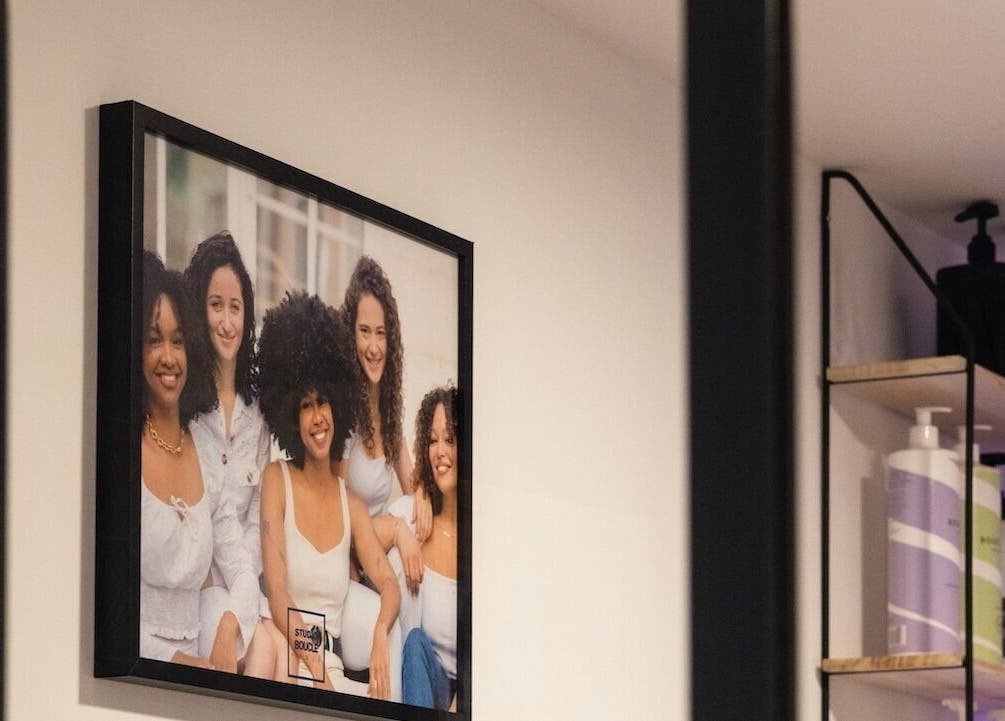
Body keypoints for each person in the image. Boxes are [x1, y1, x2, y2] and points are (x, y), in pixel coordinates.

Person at [257, 291, 402, 699]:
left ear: (339, 406)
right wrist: (313, 660)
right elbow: (277, 590)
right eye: (305, 406)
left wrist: (378, 632)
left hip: (332, 672)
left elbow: (388, 584)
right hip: (291, 663)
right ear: (290, 415)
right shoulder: (276, 480)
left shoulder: (351, 504)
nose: (318, 417)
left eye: (324, 403)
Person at [139, 250, 258, 672]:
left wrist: (228, 627)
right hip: (137, 668)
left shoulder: (205, 453)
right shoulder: (124, 452)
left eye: (177, 341)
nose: (168, 357)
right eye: (154, 340)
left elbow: (243, 571)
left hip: (201, 663)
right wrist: (180, 661)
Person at [183, 231, 279, 678]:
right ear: (200, 312)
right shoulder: (186, 406)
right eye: (216, 305)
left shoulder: (258, 416)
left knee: (269, 652)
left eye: (235, 307)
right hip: (194, 589)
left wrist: (239, 603)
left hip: (240, 589)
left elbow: (256, 525)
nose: (226, 321)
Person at [338, 256, 431, 543]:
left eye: (381, 333)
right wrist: (396, 529)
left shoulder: (389, 413)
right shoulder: (343, 413)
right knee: (406, 519)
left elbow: (412, 484)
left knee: (415, 509)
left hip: (377, 553)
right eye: (364, 332)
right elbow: (336, 514)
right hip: (350, 552)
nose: (374, 347)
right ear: (350, 335)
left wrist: (424, 493)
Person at [388, 385, 459, 710]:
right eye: (433, 440)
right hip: (428, 682)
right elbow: (357, 536)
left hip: (469, 694)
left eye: (450, 439)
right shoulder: (418, 515)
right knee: (416, 642)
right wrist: (400, 530)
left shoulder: (483, 543)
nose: (440, 451)